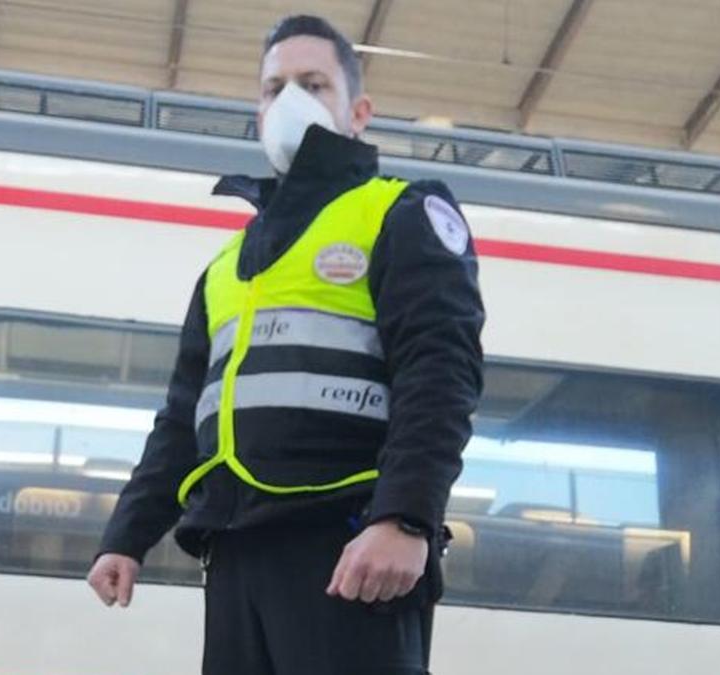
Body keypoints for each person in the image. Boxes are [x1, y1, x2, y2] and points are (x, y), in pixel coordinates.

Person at [87, 14, 484, 675]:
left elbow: (441, 371)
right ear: (257, 110)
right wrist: (126, 535)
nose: (289, 102)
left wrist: (406, 517)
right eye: (274, 89)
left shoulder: (401, 212)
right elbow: (184, 415)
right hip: (236, 551)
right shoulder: (227, 263)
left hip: (350, 547)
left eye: (312, 83)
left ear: (358, 111)